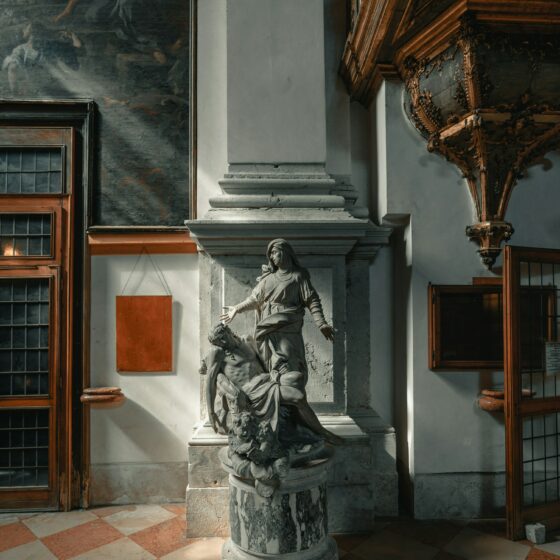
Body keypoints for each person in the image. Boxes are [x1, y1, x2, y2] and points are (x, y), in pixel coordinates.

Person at [219, 238, 340, 443]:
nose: (273, 257)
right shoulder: (269, 279)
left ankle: (296, 417)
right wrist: (236, 309)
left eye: (276, 252)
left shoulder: (298, 276)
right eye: (271, 254)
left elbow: (312, 300)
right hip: (268, 330)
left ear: (286, 252)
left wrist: (321, 323)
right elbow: (254, 299)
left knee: (292, 367)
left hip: (288, 326)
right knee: (273, 368)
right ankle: (281, 417)